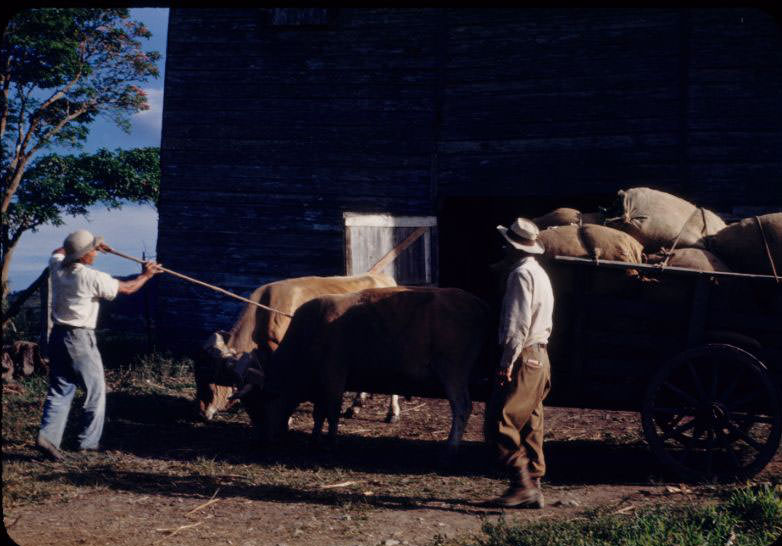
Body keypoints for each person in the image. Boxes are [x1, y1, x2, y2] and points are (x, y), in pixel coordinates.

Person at [35, 229, 163, 461]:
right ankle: (88, 445)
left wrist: (93, 246)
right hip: (80, 339)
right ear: (83, 256)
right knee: (96, 392)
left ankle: (48, 438)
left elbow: (57, 251)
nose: (95, 252)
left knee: (60, 389)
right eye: (92, 250)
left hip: (58, 336)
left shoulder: (58, 266)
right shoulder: (91, 277)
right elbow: (127, 288)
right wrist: (147, 275)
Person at [490, 217, 554, 509]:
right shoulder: (539, 273)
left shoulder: (519, 275)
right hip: (541, 357)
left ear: (512, 246)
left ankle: (522, 484)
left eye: (506, 244)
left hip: (525, 356)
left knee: (500, 422)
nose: (503, 248)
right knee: (531, 423)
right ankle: (535, 486)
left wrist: (506, 362)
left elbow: (518, 325)